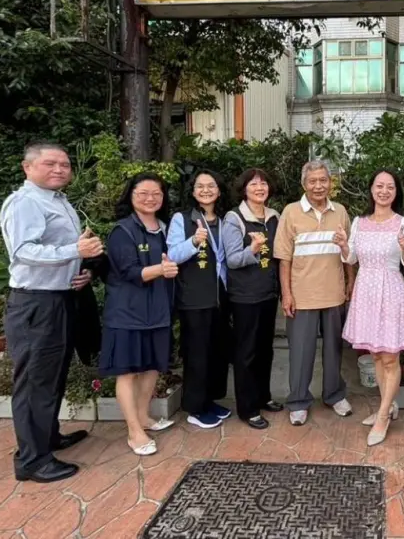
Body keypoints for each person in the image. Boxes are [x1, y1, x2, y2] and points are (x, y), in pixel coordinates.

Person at [0, 142, 103, 483]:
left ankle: (48, 437)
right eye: (50, 163)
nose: (60, 169)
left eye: (64, 164)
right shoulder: (25, 203)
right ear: (27, 167)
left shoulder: (57, 201)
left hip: (60, 298)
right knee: (33, 382)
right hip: (36, 303)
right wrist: (75, 248)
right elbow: (24, 252)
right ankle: (32, 460)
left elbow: (61, 251)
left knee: (52, 374)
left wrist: (82, 268)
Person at [337, 170, 404, 446]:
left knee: (390, 358)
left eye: (390, 187)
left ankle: (383, 415)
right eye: (379, 186)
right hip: (366, 291)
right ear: (371, 189)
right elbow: (351, 257)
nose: (384, 191)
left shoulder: (403, 222)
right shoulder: (359, 222)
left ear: (396, 192)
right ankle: (389, 405)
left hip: (391, 290)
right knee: (375, 356)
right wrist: (341, 245)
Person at [100, 173, 177, 456]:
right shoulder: (123, 231)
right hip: (128, 313)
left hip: (158, 310)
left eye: (156, 193)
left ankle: (144, 417)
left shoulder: (166, 228)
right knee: (128, 371)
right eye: (143, 193)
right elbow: (129, 272)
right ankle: (134, 431)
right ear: (130, 196)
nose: (150, 198)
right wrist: (161, 270)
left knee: (152, 367)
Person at [273, 160, 354, 426]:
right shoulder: (291, 212)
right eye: (313, 181)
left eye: (323, 180)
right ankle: (298, 401)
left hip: (334, 294)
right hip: (302, 295)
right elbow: (284, 258)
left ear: (331, 183)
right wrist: (287, 294)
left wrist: (350, 282)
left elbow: (348, 253)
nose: (318, 186)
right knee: (301, 351)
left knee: (334, 350)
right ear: (303, 184)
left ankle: (333, 394)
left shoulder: (340, 211)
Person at [166, 170, 233, 429]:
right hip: (194, 297)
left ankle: (210, 400)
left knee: (217, 352)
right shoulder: (182, 219)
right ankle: (194, 407)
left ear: (219, 190)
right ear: (192, 191)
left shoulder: (225, 219)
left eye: (211, 185)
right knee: (197, 354)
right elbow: (172, 255)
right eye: (200, 186)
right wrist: (194, 241)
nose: (206, 190)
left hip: (220, 296)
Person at [223, 168, 282, 430]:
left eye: (263, 183)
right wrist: (253, 249)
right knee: (246, 352)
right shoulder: (234, 218)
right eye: (253, 184)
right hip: (245, 296)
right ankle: (248, 409)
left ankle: (263, 396)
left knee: (265, 350)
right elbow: (233, 259)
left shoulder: (274, 217)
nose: (260, 187)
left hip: (268, 293)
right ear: (244, 189)